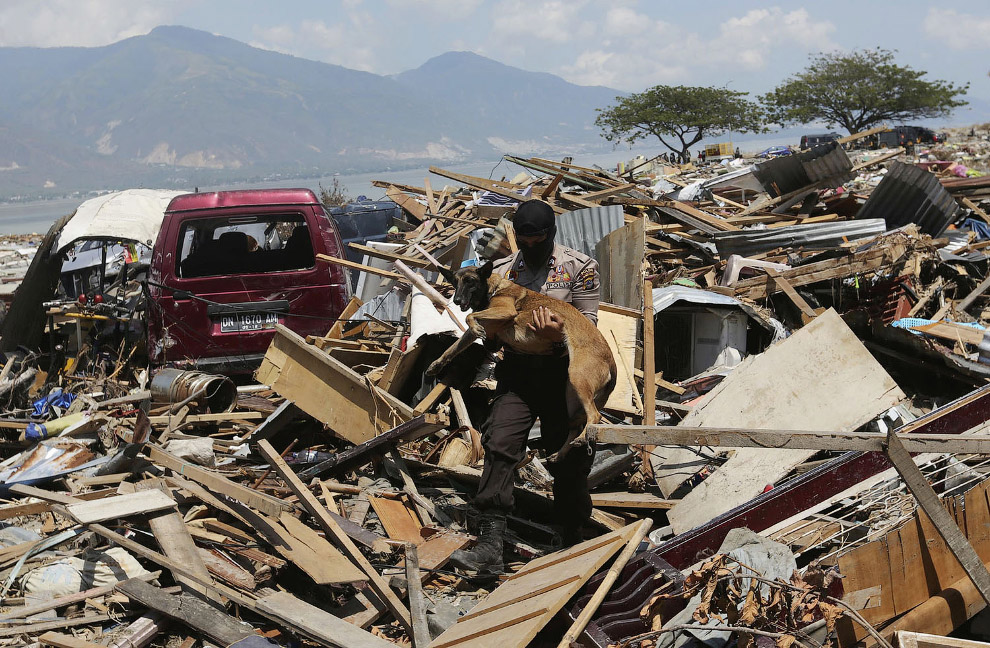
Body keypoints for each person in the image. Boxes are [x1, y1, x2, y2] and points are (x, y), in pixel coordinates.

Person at [448, 199, 601, 576]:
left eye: (539, 238)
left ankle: (568, 535)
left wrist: (554, 334)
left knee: (568, 453)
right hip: (517, 372)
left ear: (551, 233)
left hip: (561, 372)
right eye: (524, 238)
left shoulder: (579, 268)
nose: (531, 245)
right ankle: (490, 544)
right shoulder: (500, 271)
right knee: (499, 444)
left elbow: (589, 325)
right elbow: (489, 327)